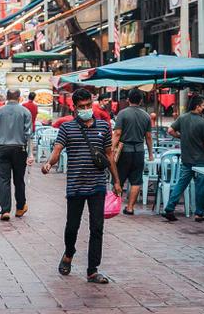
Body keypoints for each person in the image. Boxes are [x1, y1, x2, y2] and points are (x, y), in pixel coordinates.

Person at [41, 88, 122, 283]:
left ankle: (92, 270)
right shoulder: (67, 128)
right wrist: (49, 164)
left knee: (97, 228)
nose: (86, 109)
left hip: (97, 185)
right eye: (82, 107)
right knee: (72, 227)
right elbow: (58, 149)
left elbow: (109, 155)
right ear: (75, 108)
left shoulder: (103, 126)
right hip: (76, 185)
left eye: (88, 105)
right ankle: (69, 253)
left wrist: (117, 181)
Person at [162, 95, 204, 222]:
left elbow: (170, 130)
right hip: (201, 160)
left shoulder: (182, 118)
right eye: (203, 105)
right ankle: (199, 213)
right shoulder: (203, 123)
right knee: (201, 187)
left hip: (186, 158)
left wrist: (181, 137)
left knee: (181, 184)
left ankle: (169, 208)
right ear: (197, 106)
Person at [0, 89, 33, 221]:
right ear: (19, 98)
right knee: (19, 180)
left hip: (3, 149)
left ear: (7, 98)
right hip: (20, 149)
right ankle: (20, 208)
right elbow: (28, 134)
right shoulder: (25, 112)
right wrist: (30, 154)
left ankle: (5, 210)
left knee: (4, 180)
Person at [112, 88, 153, 215]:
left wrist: (111, 149)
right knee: (136, 180)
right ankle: (130, 208)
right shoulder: (146, 115)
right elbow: (148, 136)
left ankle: (114, 206)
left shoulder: (122, 114)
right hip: (139, 151)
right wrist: (150, 153)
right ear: (141, 101)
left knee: (118, 179)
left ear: (128, 99)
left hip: (124, 151)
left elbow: (117, 133)